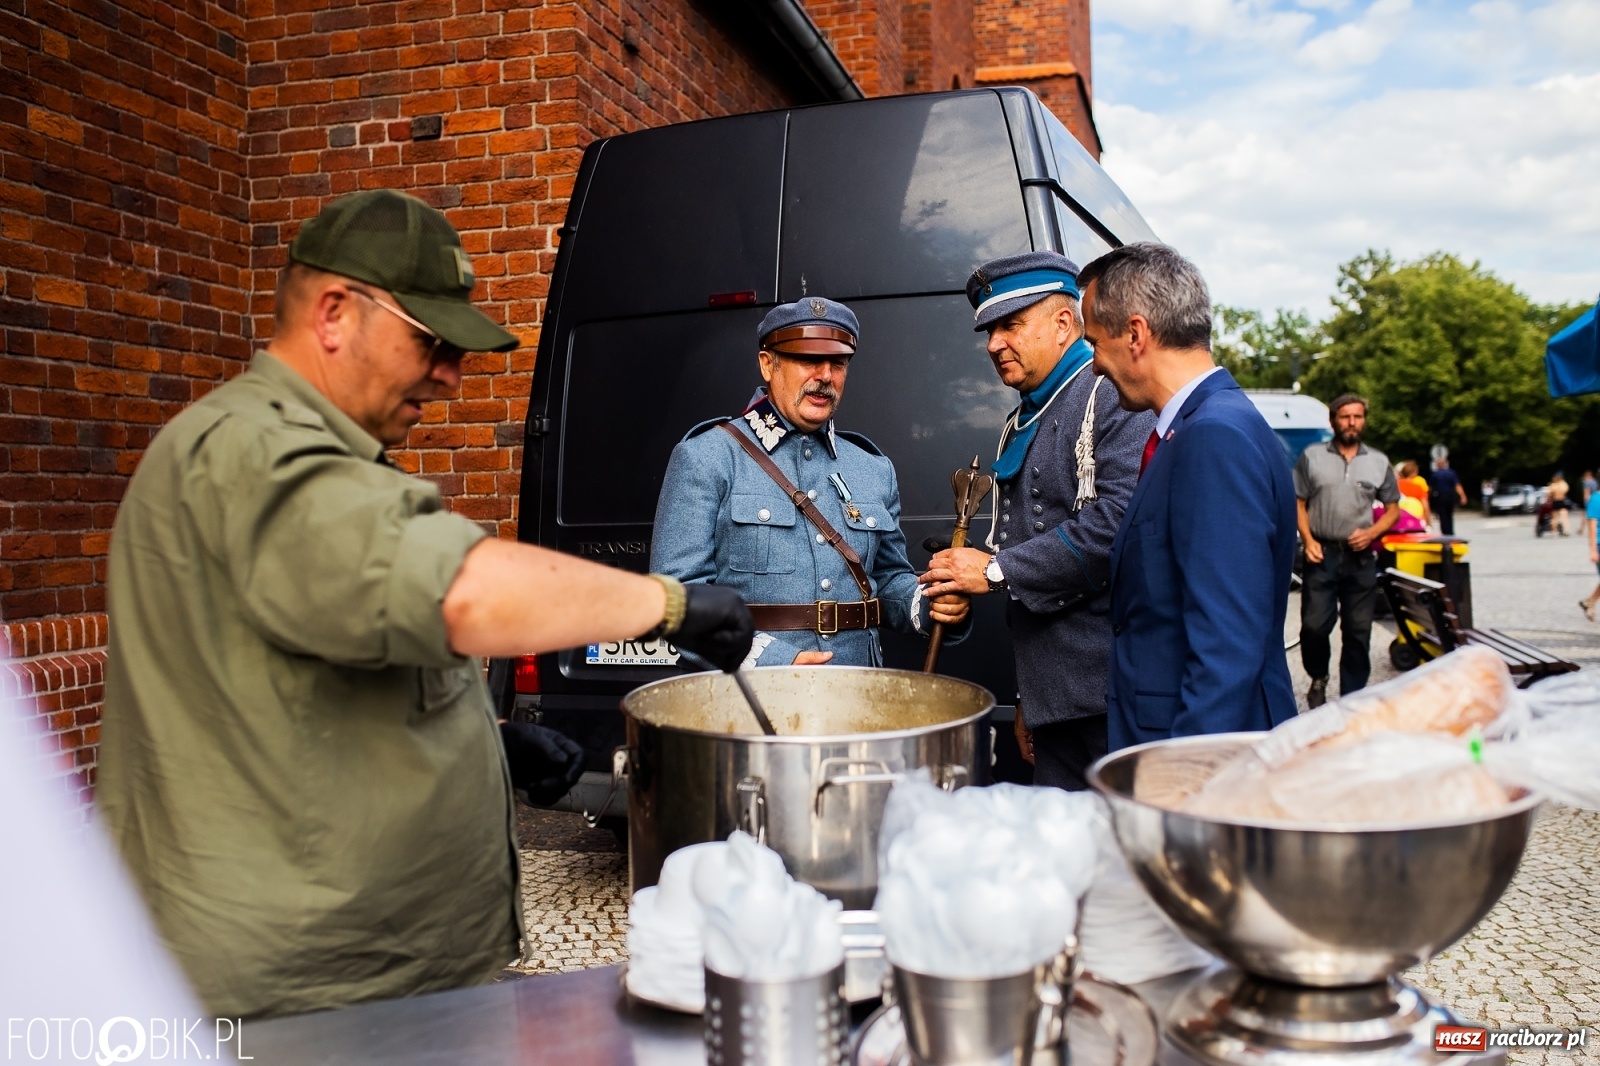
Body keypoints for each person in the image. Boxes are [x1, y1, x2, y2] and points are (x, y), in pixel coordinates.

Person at [99, 190, 754, 1020]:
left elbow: (310, 674)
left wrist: (485, 747)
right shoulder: (257, 454)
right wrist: (670, 604)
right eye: (431, 341)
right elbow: (462, 593)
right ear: (335, 313)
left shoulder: (306, 456)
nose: (450, 374)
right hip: (305, 995)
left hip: (356, 978)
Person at [916, 251, 1154, 789]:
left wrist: (994, 570)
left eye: (1011, 325)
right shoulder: (1023, 416)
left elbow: (1119, 523)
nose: (994, 343)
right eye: (990, 330)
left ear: (1065, 323)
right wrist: (1032, 698)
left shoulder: (1109, 395)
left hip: (1112, 696)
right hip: (1057, 699)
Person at [652, 297, 969, 668]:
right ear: (767, 364)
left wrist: (933, 603)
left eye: (837, 363)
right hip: (754, 702)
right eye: (807, 360)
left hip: (859, 692)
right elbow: (676, 599)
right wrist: (778, 663)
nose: (824, 376)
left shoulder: (872, 467)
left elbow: (887, 579)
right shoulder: (709, 456)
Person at [1077, 243, 1298, 750]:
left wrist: (1181, 782)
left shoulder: (1213, 436)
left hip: (1201, 754)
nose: (1094, 366)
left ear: (1135, 334)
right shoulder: (1207, 425)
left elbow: (1227, 646)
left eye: (1094, 344)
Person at [1293, 395, 1401, 706]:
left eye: (1357, 417)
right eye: (1345, 416)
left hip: (1360, 558)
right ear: (1333, 420)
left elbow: (1393, 509)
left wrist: (1372, 533)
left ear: (1364, 420)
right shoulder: (1312, 456)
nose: (1351, 422)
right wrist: (1309, 540)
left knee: (1358, 631)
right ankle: (1318, 676)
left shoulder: (1378, 461)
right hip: (1321, 554)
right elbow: (1298, 502)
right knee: (1314, 626)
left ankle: (1351, 698)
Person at [1429, 455, 1468, 534]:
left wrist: (1429, 497)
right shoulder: (1451, 473)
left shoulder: (1435, 475)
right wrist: (1462, 496)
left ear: (1437, 465)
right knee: (1449, 515)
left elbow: (1430, 488)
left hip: (1440, 497)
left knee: (1442, 515)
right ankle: (1450, 532)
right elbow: (1457, 485)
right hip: (1450, 496)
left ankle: (1445, 532)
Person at [1396, 460, 1431, 532]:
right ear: (1413, 473)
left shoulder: (1395, 486)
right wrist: (1428, 523)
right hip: (1416, 520)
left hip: (1397, 519)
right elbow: (1425, 507)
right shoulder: (1418, 487)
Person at [1583, 483, 1600, 622]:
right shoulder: (1595, 499)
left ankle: (1590, 602)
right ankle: (1590, 602)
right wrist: (1593, 550)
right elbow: (1592, 527)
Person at [1549, 471, 1571, 536]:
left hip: (1555, 501)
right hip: (1562, 501)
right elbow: (1566, 492)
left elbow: (1549, 494)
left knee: (1554, 518)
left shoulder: (1553, 485)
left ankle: (1554, 531)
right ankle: (1566, 529)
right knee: (1564, 516)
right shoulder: (1564, 484)